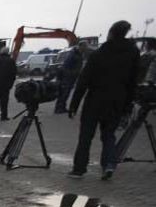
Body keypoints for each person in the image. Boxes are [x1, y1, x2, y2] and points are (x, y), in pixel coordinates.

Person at [68, 20, 140, 180]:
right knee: (109, 135)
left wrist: (74, 104)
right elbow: (133, 81)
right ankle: (108, 165)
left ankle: (79, 169)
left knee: (86, 136)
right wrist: (128, 105)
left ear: (111, 33)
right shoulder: (132, 54)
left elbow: (83, 81)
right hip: (116, 101)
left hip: (95, 100)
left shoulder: (100, 53)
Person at [54, 41, 88, 114]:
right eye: (85, 46)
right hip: (67, 77)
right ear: (81, 46)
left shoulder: (79, 54)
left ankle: (62, 107)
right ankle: (58, 108)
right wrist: (70, 75)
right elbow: (66, 66)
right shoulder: (73, 54)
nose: (86, 48)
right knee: (64, 93)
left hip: (72, 77)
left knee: (67, 93)